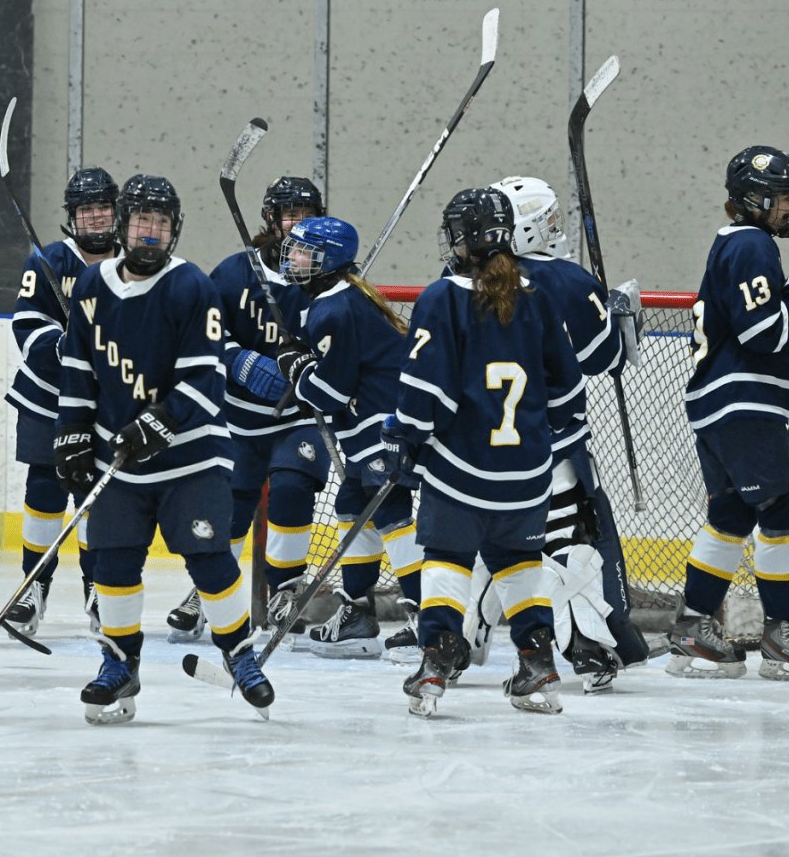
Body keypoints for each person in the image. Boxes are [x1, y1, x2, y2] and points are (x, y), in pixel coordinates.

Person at [56, 173, 273, 724]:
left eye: (162, 223)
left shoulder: (191, 287)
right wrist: (73, 433)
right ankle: (119, 661)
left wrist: (160, 422)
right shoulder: (91, 286)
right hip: (119, 460)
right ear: (123, 225)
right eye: (142, 222)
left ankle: (239, 653)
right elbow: (79, 371)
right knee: (113, 561)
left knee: (209, 557)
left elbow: (205, 379)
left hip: (192, 459)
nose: (151, 233)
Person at [380, 187, 585, 716]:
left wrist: (404, 437)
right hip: (527, 477)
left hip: (461, 473)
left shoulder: (442, 298)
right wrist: (537, 442)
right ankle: (538, 665)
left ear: (461, 239)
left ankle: (438, 658)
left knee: (447, 559)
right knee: (517, 563)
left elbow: (426, 395)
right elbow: (567, 393)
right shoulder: (538, 295)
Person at [474, 174, 651, 694]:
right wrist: (624, 322)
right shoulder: (571, 283)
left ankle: (453, 644)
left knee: (479, 545)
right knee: (562, 546)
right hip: (547, 445)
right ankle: (587, 649)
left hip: (476, 449)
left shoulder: (466, 278)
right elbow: (605, 360)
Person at [669, 145, 789, 682]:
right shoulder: (752, 244)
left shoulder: (739, 245)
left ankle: (693, 628)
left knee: (733, 515)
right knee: (782, 513)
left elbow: (761, 316)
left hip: (717, 405)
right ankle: (780, 635)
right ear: (755, 200)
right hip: (742, 405)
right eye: (783, 197)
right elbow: (764, 333)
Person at [163, 176, 332, 646]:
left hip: (298, 417)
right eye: (288, 213)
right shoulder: (234, 273)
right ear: (270, 220)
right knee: (229, 506)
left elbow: (342, 339)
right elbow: (205, 334)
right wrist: (241, 361)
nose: (296, 222)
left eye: (305, 213)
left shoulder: (327, 277)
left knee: (293, 489)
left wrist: (306, 367)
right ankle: (208, 592)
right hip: (236, 417)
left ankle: (285, 591)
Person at [271, 216, 424, 660]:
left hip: (385, 429)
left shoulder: (335, 307)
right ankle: (357, 614)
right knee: (351, 509)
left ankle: (424, 621)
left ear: (328, 261)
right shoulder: (333, 300)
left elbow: (331, 393)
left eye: (304, 252)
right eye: (294, 249)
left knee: (391, 511)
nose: (293, 258)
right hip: (370, 428)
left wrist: (296, 369)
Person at [4, 167, 121, 638]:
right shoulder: (50, 260)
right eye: (86, 210)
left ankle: (98, 588)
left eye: (103, 208)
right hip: (46, 398)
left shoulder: (132, 263)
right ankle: (34, 587)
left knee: (98, 497)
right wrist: (65, 345)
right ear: (72, 217)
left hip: (105, 404)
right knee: (44, 492)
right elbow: (26, 324)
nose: (95, 217)